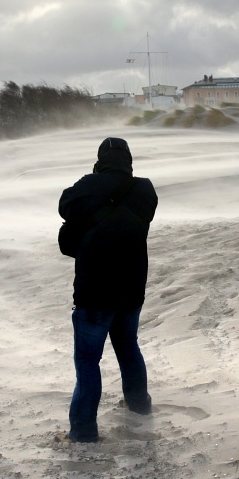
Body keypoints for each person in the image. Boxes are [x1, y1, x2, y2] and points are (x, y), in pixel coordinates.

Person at [57, 137, 158, 442]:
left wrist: (93, 183)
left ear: (101, 159)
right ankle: (140, 406)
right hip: (131, 285)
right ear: (128, 160)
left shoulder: (88, 185)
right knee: (128, 348)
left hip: (94, 288)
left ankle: (84, 431)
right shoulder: (144, 189)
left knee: (88, 361)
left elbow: (65, 206)